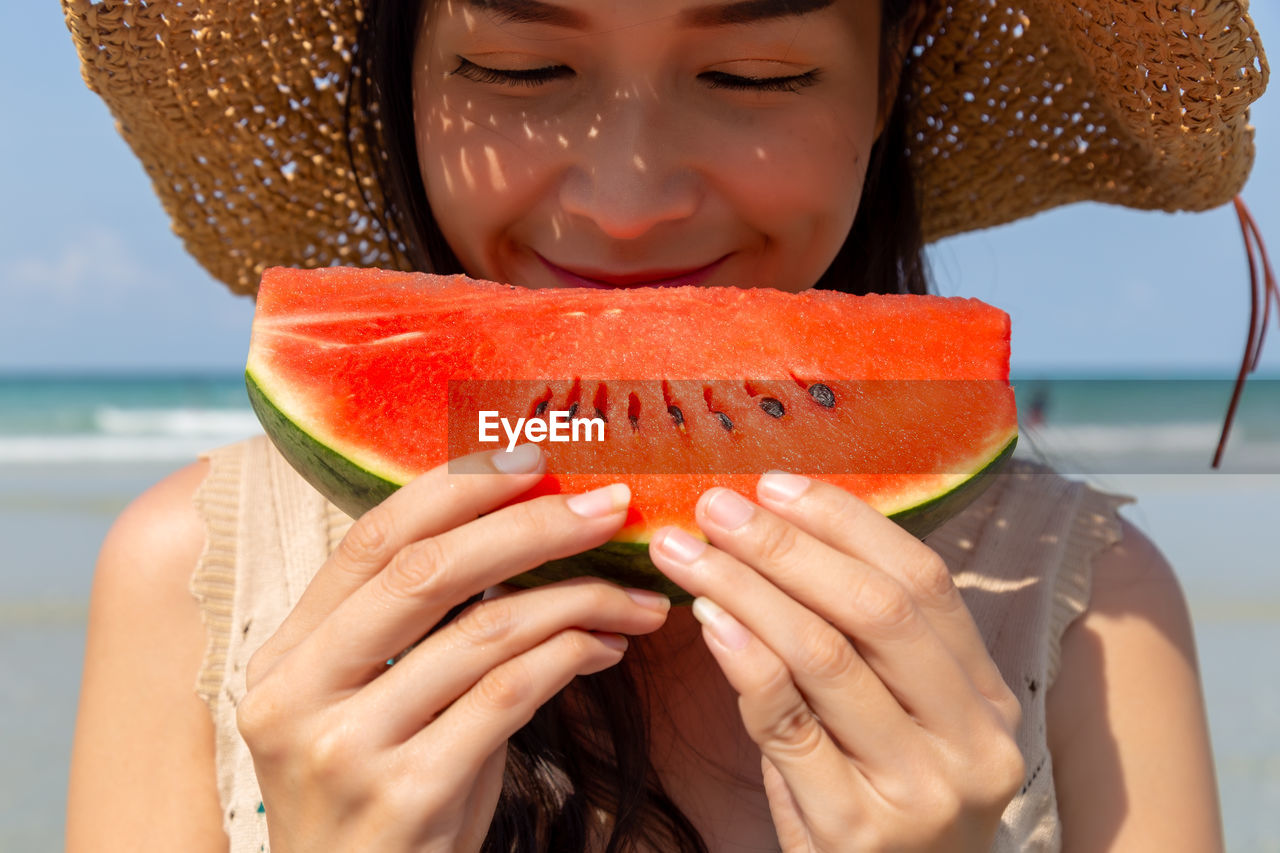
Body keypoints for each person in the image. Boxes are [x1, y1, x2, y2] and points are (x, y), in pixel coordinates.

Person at [60, 0, 1267, 850]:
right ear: (406, 71)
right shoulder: (191, 575)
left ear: (885, 75)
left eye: (755, 75)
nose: (626, 200)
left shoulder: (1090, 608)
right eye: (520, 70)